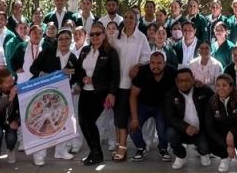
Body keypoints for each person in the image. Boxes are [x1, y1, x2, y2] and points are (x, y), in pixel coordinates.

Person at [72, 24, 121, 165]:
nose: (94, 36)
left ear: (104, 35)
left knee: (89, 122)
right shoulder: (85, 50)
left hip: (100, 92)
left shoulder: (110, 52)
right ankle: (94, 151)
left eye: (98, 34)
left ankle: (96, 152)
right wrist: (82, 79)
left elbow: (115, 75)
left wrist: (111, 93)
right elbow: (79, 70)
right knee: (83, 122)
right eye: (92, 34)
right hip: (85, 92)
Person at [28, 28, 78, 163]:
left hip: (62, 95)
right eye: (61, 39)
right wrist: (44, 75)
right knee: (42, 123)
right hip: (44, 94)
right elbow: (33, 68)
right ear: (57, 40)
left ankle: (60, 151)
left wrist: (72, 79)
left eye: (67, 39)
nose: (64, 41)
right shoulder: (48, 52)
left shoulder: (73, 58)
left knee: (62, 122)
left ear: (71, 40)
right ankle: (39, 154)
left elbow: (75, 76)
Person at [111, 10, 150, 161]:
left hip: (130, 83)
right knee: (117, 116)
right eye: (126, 17)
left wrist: (138, 66)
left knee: (123, 117)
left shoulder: (141, 38)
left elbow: (147, 57)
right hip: (115, 82)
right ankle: (118, 143)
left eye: (131, 18)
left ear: (136, 21)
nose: (128, 20)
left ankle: (123, 147)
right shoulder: (116, 35)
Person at [128, 51, 176, 161]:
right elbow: (133, 95)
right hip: (143, 105)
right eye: (153, 63)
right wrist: (134, 119)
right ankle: (141, 147)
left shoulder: (172, 72)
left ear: (164, 63)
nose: (155, 66)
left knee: (162, 128)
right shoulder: (142, 71)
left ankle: (163, 148)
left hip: (162, 106)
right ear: (149, 63)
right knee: (132, 125)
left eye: (159, 63)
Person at [165, 67, 212, 169]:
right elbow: (169, 116)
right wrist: (185, 127)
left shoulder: (204, 91)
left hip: (200, 130)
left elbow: (215, 106)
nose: (184, 83)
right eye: (181, 81)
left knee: (204, 147)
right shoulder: (170, 94)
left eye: (187, 80)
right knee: (170, 133)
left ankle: (203, 153)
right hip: (181, 130)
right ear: (176, 81)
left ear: (193, 79)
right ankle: (181, 156)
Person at [0, 68, 21, 167]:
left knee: (11, 137)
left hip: (11, 118)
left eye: (12, 80)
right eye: (8, 82)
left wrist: (17, 121)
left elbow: (23, 108)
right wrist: (8, 98)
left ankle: (10, 150)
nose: (12, 84)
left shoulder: (18, 89)